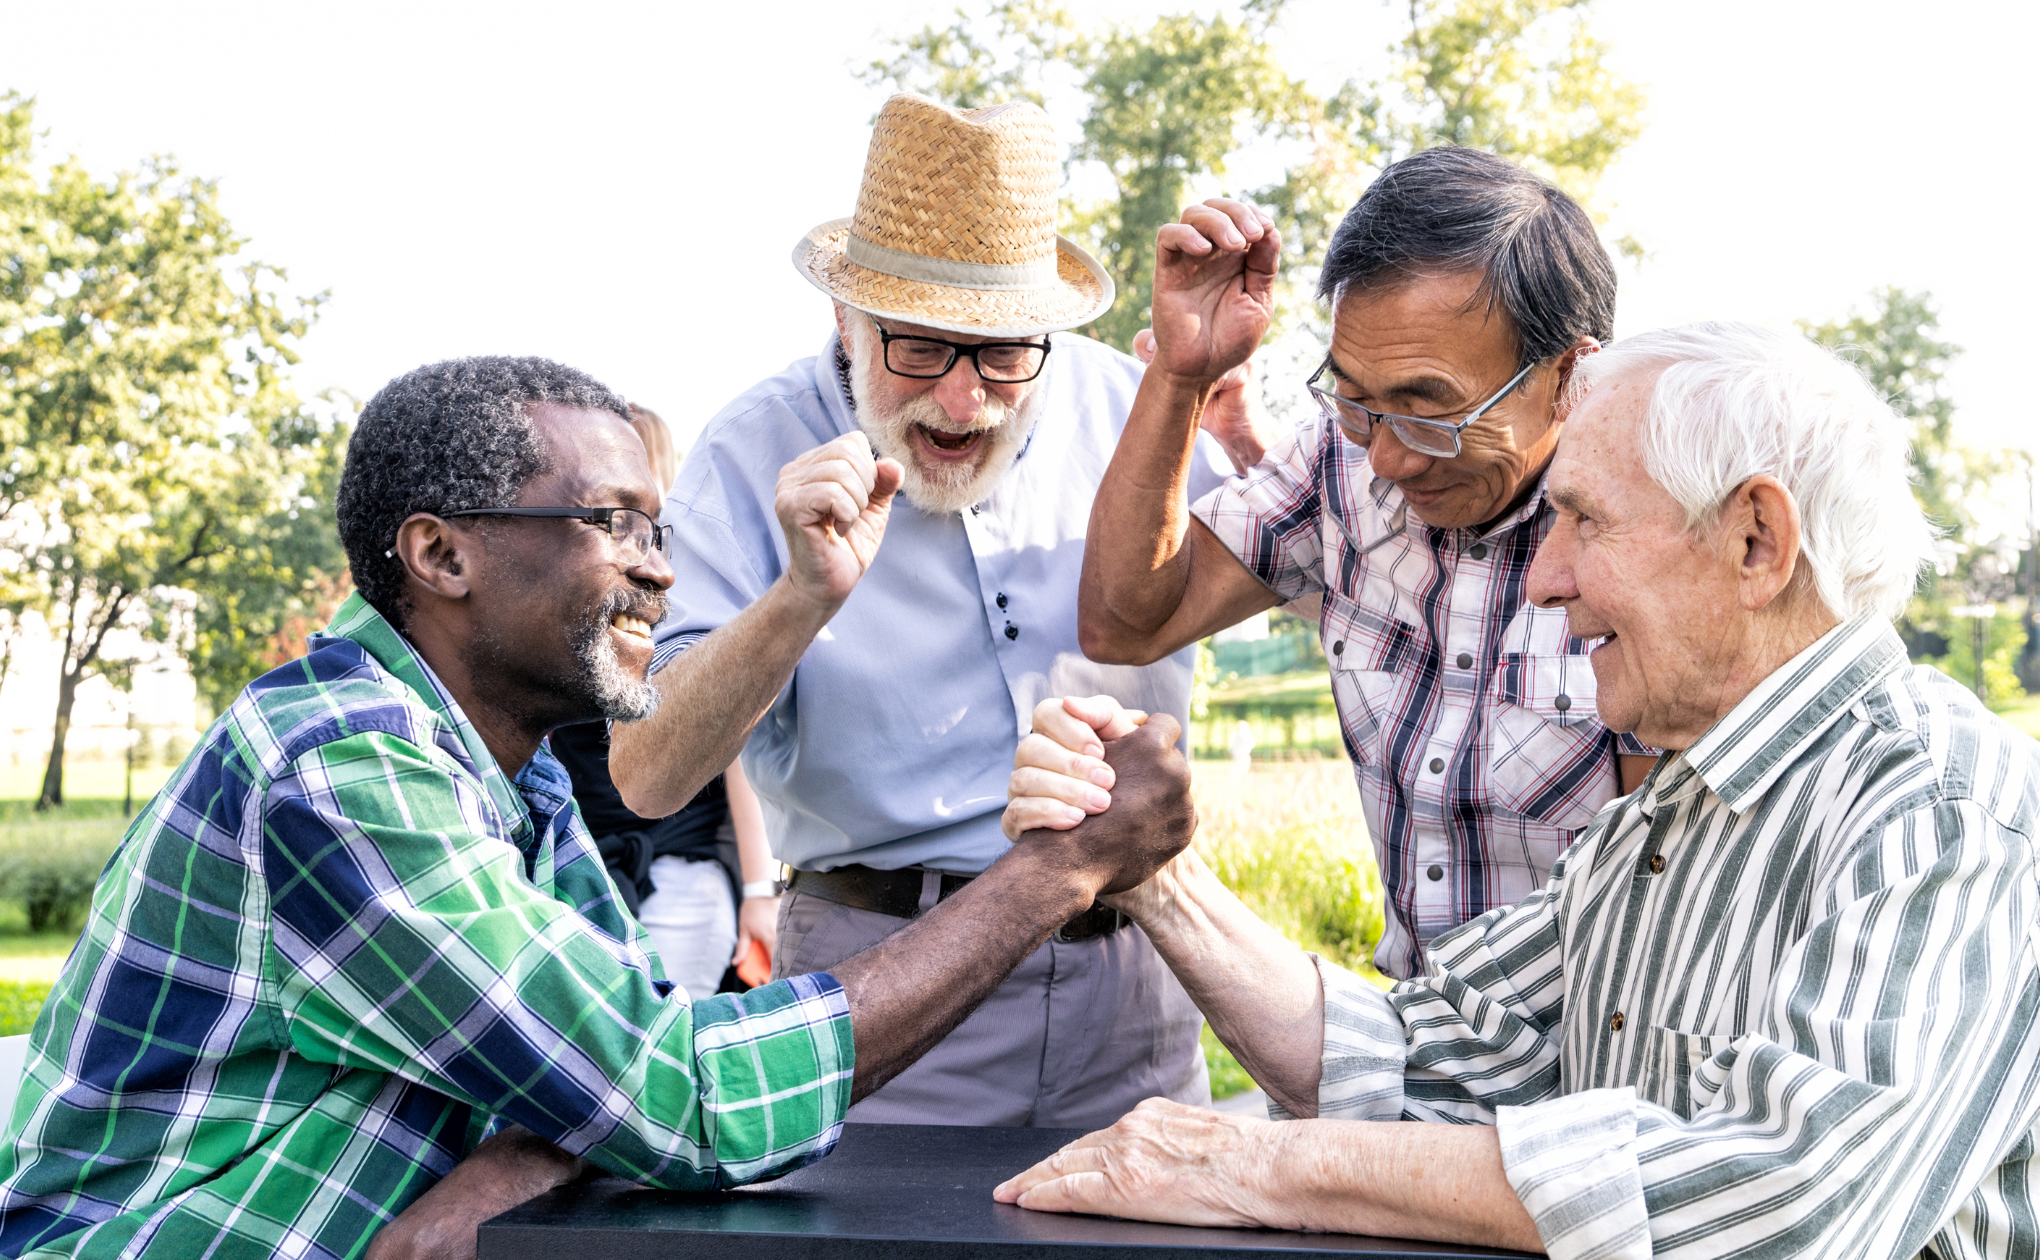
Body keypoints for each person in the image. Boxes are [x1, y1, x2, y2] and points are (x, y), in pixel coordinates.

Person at [0, 356, 1199, 1260]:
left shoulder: (513, 778)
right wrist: (1054, 874)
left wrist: (532, 1150)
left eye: (659, 523)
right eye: (613, 522)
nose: (658, 569)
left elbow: (629, 1050)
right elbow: (686, 1099)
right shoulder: (339, 773)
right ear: (441, 555)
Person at [996, 324, 2040, 1257]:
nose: (1541, 580)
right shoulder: (1655, 827)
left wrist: (1259, 1165)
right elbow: (1416, 1064)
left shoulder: (1939, 815)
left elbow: (1784, 1200)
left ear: (1753, 541)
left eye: (1582, 520)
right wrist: (1146, 866)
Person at [606, 94, 1262, 1128]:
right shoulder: (748, 449)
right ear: (843, 317)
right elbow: (646, 778)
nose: (962, 402)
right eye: (917, 347)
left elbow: (1323, 578)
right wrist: (797, 599)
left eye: (1003, 354)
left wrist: (1257, 449)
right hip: (886, 988)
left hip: (1132, 986)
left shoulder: (1137, 406)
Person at [1055, 148, 1654, 979]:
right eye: (1356, 400)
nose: (1389, 462)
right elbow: (1125, 623)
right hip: (1415, 1038)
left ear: (1570, 376)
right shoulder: (1337, 465)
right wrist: (1182, 375)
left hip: (1591, 1064)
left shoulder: (1654, 535)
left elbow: (1668, 910)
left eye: (1430, 412)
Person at [548, 402, 780, 996]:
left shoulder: (681, 596)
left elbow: (737, 757)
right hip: (581, 870)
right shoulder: (576, 599)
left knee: (663, 1062)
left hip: (676, 872)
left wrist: (760, 891)